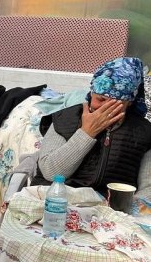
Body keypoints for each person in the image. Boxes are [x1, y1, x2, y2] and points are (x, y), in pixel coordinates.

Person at [36, 56, 151, 196]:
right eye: (100, 99)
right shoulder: (64, 118)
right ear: (91, 94)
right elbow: (50, 172)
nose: (103, 108)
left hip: (112, 208)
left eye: (114, 104)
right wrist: (86, 133)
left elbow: (148, 188)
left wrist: (133, 209)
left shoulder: (144, 132)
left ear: (129, 103)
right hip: (57, 199)